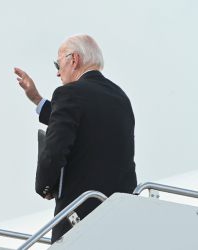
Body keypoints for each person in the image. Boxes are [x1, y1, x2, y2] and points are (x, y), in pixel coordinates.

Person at [14, 33, 137, 243]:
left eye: (57, 63)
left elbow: (54, 152)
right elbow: (85, 120)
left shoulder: (69, 93)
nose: (57, 73)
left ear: (74, 59)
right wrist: (38, 100)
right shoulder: (120, 97)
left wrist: (44, 186)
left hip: (80, 217)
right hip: (120, 216)